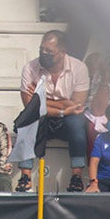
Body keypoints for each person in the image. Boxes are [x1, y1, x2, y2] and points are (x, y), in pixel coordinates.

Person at [17, 30, 89, 193]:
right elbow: (30, 108)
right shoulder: (30, 68)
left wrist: (41, 99)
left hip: (68, 120)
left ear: (62, 52)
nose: (44, 53)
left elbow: (77, 106)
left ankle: (76, 177)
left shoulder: (79, 68)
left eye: (49, 51)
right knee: (27, 121)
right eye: (42, 49)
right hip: (42, 119)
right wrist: (63, 106)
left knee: (77, 124)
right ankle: (25, 177)